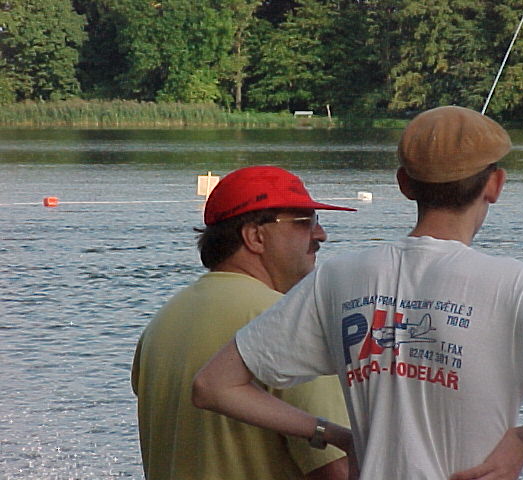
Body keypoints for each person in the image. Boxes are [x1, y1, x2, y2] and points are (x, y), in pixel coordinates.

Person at [192, 106, 523, 480]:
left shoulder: (338, 278)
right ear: (495, 185)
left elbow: (214, 385)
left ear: (404, 183)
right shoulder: (516, 287)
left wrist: (335, 435)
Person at [131, 165, 356, 480]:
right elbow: (337, 469)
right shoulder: (285, 321)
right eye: (304, 222)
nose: (320, 235)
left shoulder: (162, 323)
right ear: (255, 236)